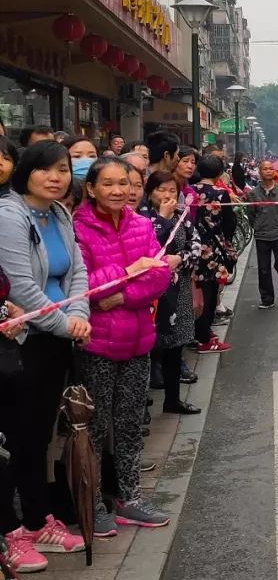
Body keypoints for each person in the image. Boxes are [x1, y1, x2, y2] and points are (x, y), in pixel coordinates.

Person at [0, 142, 91, 570]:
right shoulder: (9, 215)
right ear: (26, 171)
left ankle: (39, 521)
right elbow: (19, 286)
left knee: (38, 438)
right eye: (45, 170)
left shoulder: (59, 214)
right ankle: (13, 533)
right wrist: (63, 323)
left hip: (57, 337)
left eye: (62, 170)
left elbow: (78, 272)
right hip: (24, 341)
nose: (55, 178)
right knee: (18, 439)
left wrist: (79, 313)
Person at [74, 160, 172, 533]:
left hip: (138, 339)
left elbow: (159, 277)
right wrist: (128, 274)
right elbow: (86, 289)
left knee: (131, 424)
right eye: (109, 184)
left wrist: (121, 295)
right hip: (97, 343)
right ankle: (95, 503)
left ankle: (131, 498)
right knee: (95, 428)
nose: (119, 191)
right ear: (91, 188)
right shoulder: (78, 229)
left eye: (126, 183)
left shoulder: (142, 224)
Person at [140, 171, 201, 416]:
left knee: (175, 347)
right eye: (161, 190)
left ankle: (173, 400)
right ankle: (141, 405)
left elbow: (195, 246)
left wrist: (179, 259)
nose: (167, 196)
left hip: (179, 289)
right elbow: (146, 249)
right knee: (148, 349)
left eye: (172, 191)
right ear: (150, 192)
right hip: (151, 294)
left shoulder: (183, 217)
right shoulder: (140, 218)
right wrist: (163, 220)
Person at [191, 155, 236, 354]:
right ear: (219, 173)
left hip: (192, 247)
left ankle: (198, 332)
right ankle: (204, 336)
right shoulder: (220, 193)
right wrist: (226, 239)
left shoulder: (190, 191)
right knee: (210, 292)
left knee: (197, 290)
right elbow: (229, 223)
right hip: (212, 248)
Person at [249, 158, 278, 309]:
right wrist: (258, 226)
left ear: (274, 172)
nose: (268, 171)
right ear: (259, 173)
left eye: (270, 169)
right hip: (262, 236)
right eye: (265, 169)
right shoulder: (253, 194)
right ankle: (267, 299)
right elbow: (251, 214)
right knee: (263, 269)